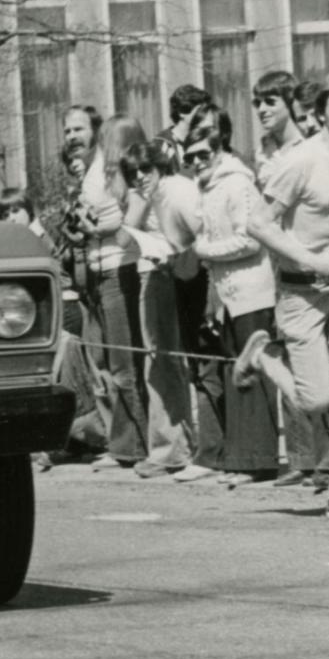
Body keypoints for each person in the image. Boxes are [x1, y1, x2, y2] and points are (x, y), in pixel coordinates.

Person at [236, 71, 329, 519]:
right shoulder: (298, 163)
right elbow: (258, 224)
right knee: (316, 399)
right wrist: (308, 258)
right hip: (301, 292)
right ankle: (263, 357)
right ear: (320, 115)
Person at [185, 109, 282, 487]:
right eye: (189, 157)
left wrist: (206, 250)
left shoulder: (238, 182)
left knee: (253, 374)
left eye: (202, 154)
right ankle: (243, 457)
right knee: (235, 372)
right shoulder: (206, 186)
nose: (196, 162)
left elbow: (250, 238)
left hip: (251, 292)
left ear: (219, 148)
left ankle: (260, 460)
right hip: (228, 293)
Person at [250, 70, 328, 488]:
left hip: (313, 265)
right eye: (257, 103)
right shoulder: (267, 155)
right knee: (297, 361)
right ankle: (304, 458)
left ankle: (325, 459)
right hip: (284, 269)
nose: (262, 110)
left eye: (271, 102)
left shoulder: (304, 150)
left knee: (318, 366)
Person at [65, 106, 149, 469]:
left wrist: (90, 227)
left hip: (119, 268)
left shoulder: (119, 174)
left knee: (123, 364)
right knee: (104, 361)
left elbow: (116, 218)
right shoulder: (96, 172)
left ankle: (132, 446)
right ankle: (122, 440)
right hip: (99, 272)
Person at [121, 138, 204, 480]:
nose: (140, 176)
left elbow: (199, 232)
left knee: (171, 361)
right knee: (157, 361)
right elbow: (126, 237)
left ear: (159, 165)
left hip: (179, 276)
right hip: (154, 273)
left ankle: (179, 447)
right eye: (133, 172)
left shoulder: (175, 189)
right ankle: (167, 446)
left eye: (146, 169)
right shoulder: (146, 195)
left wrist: (177, 258)